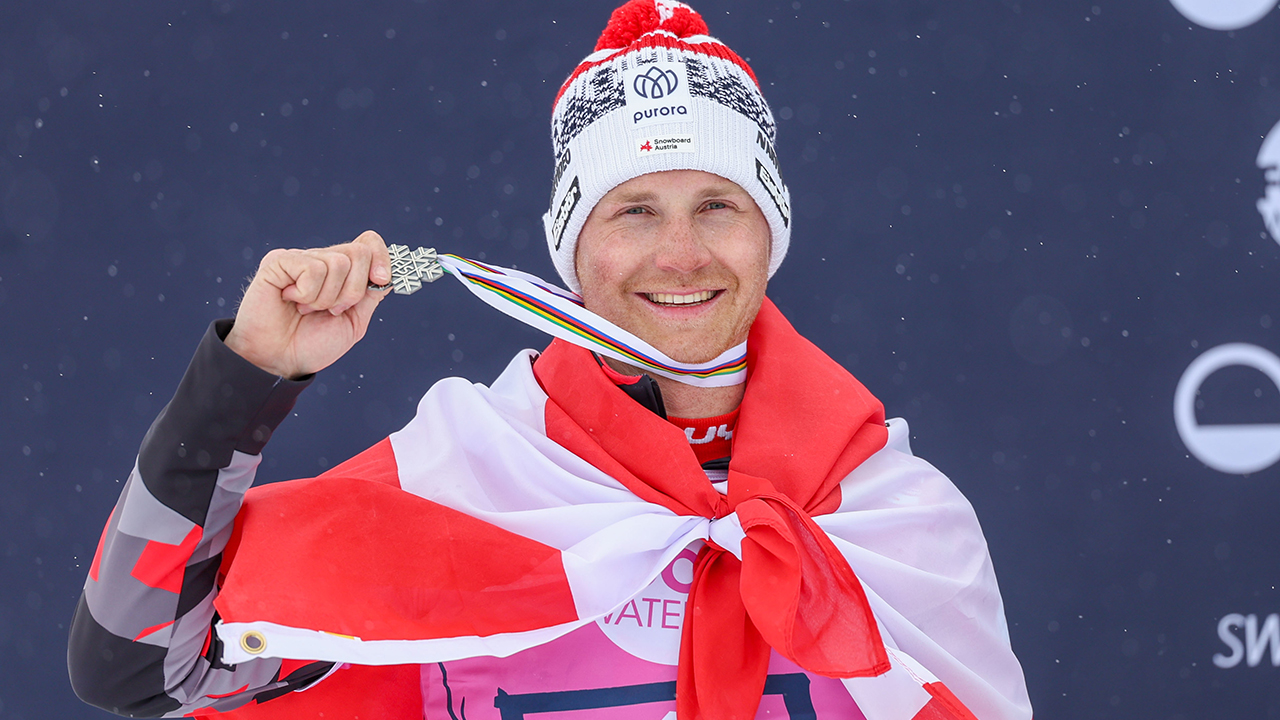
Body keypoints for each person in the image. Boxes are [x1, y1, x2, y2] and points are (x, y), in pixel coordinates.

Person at [68, 1, 1033, 718]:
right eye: (634, 211)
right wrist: (244, 379)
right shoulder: (470, 479)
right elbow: (138, 664)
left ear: (770, 231)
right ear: (572, 249)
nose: (682, 255)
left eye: (717, 206)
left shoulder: (893, 516)